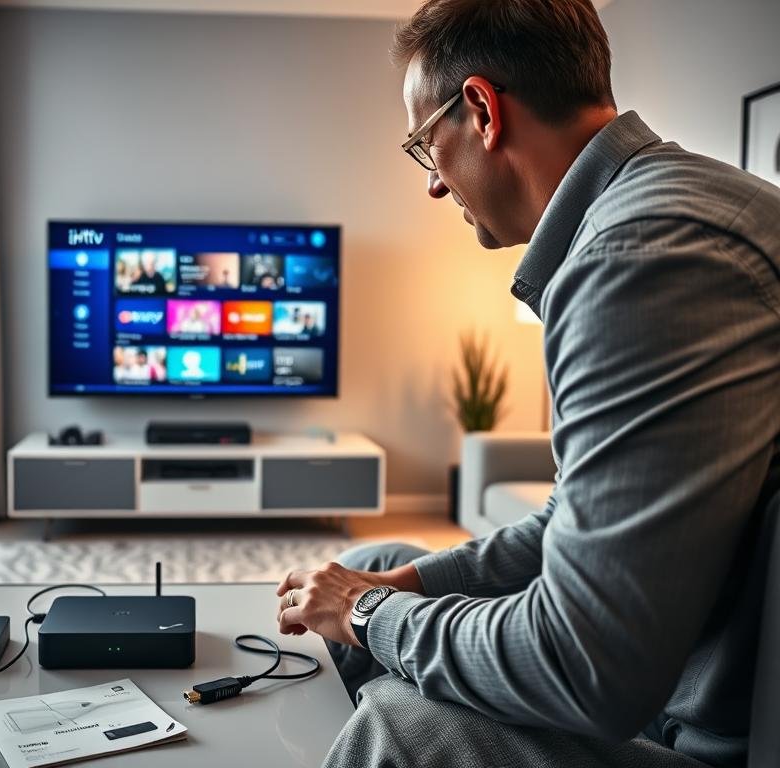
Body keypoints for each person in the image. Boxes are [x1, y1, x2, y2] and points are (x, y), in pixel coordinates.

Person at [275, 2, 780, 768]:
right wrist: (402, 582)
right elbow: (575, 520)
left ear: (480, 109)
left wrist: (368, 609)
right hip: (674, 670)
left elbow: (587, 668)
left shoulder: (643, 258)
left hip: (692, 730)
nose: (434, 187)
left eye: (423, 146)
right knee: (384, 552)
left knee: (402, 727)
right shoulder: (669, 208)